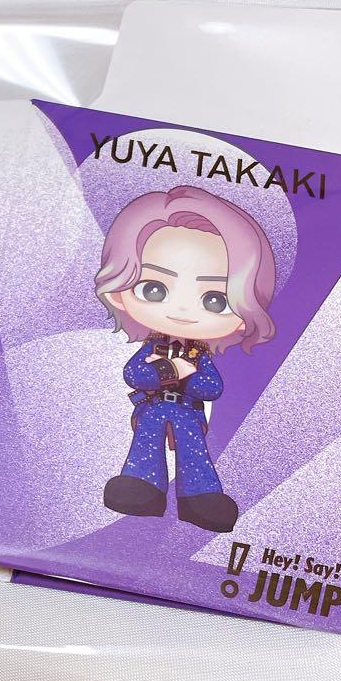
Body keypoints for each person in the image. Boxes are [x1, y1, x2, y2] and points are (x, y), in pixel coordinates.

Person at [96, 185, 276, 533]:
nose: (180, 310)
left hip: (188, 412)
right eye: (154, 289)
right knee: (146, 439)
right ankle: (141, 486)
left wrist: (185, 374)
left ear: (243, 315)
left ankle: (200, 497)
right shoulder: (154, 346)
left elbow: (211, 387)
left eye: (215, 300)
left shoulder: (200, 353)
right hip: (152, 408)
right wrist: (172, 369)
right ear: (120, 294)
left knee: (193, 448)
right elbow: (135, 373)